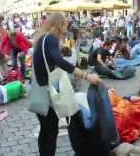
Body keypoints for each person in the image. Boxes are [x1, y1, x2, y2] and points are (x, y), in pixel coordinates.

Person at [31, 13, 99, 156]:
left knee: (45, 132)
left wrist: (61, 50)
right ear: (59, 25)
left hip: (40, 90)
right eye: (65, 26)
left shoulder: (42, 39)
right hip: (48, 94)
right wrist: (85, 75)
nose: (66, 30)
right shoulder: (50, 38)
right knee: (50, 132)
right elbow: (59, 61)